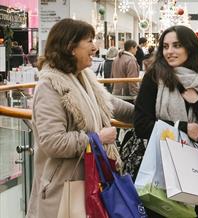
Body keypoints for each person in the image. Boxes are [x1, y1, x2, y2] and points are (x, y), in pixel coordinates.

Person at [26, 18, 134, 218]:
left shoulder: (83, 77)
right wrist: (97, 138)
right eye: (90, 41)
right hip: (63, 188)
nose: (95, 47)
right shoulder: (50, 86)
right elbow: (52, 142)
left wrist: (146, 113)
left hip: (87, 180)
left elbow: (110, 103)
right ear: (71, 47)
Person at [134, 25, 198, 218]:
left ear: (189, 48)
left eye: (176, 45)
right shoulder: (154, 77)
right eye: (165, 46)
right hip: (161, 170)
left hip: (195, 170)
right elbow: (141, 125)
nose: (169, 52)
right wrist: (181, 127)